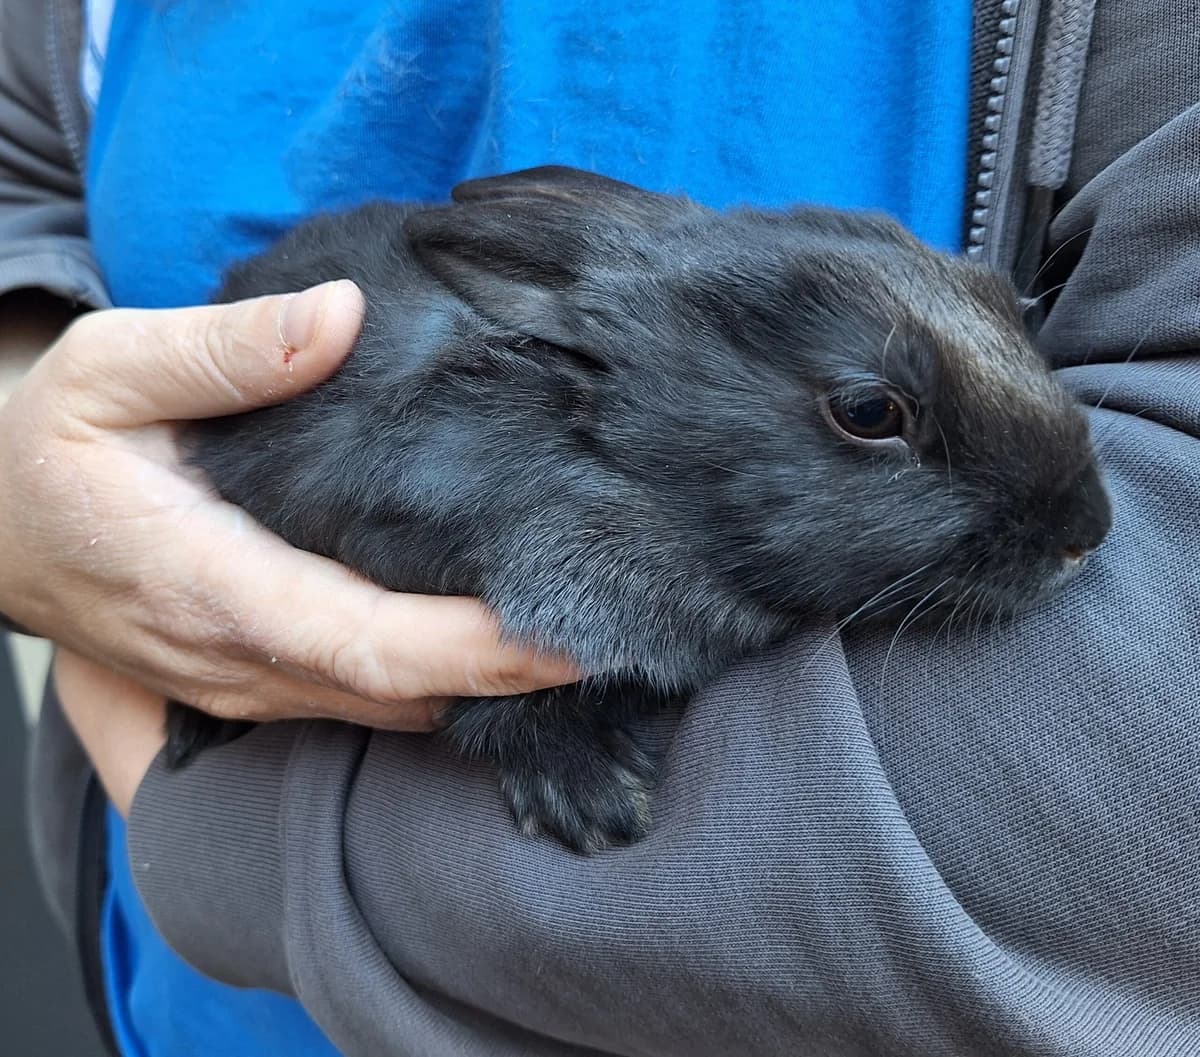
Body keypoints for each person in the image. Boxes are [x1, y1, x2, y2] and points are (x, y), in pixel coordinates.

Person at [2, 1, 1197, 1055]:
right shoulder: (483, 448)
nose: (1068, 529)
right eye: (874, 415)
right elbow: (23, 157)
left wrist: (200, 816)